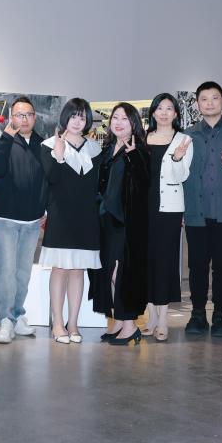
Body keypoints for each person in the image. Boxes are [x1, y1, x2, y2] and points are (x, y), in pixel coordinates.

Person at [0, 96, 47, 344]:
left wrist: (44, 210)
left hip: (32, 222)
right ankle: (5, 320)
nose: (24, 119)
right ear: (12, 117)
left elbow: (49, 179)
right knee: (5, 272)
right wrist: (6, 138)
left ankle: (17, 314)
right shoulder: (3, 142)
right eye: (20, 115)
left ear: (35, 117)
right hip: (5, 219)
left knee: (22, 273)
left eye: (29, 115)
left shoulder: (44, 145)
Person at [40, 98, 103, 344]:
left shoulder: (95, 149)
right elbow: (51, 179)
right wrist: (59, 156)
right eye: (74, 116)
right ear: (65, 117)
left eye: (82, 117)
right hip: (60, 217)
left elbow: (97, 186)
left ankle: (73, 324)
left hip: (86, 218)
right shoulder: (49, 145)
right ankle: (57, 323)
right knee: (60, 269)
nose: (77, 122)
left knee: (78, 270)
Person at [182, 81, 222, 338]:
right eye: (204, 99)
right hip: (196, 212)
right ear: (197, 104)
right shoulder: (187, 136)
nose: (209, 103)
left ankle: (220, 316)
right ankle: (197, 314)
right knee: (196, 265)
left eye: (215, 98)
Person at [91, 102, 150, 345]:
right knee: (106, 271)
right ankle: (116, 319)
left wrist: (133, 156)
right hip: (104, 220)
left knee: (121, 272)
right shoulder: (107, 149)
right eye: (115, 117)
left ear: (134, 123)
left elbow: (145, 184)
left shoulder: (140, 150)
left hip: (126, 223)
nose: (118, 122)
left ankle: (130, 324)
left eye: (125, 118)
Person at [143, 93, 193, 341]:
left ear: (175, 113)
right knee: (146, 262)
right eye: (159, 108)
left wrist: (176, 158)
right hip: (142, 208)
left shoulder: (184, 140)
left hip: (169, 209)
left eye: (169, 108)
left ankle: (163, 319)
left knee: (164, 261)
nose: (163, 112)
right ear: (153, 112)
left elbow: (181, 176)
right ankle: (150, 317)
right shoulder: (142, 137)